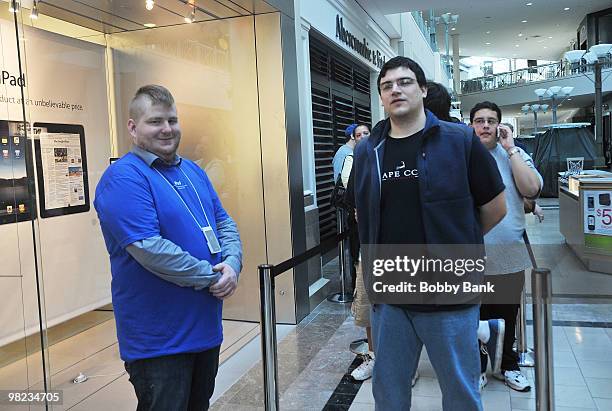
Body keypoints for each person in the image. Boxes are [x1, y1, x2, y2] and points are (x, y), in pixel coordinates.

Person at [350, 56, 507, 410]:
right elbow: (364, 213)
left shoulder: (459, 140)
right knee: (389, 397)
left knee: (461, 394)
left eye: (404, 82)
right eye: (387, 85)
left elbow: (496, 206)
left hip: (448, 292)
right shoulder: (367, 151)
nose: (395, 90)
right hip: (390, 296)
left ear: (422, 89)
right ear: (381, 97)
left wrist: (456, 246)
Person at [94, 85, 242, 411]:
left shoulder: (192, 171)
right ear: (133, 128)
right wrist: (211, 277)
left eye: (172, 120)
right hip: (160, 342)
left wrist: (232, 264)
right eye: (155, 121)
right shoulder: (123, 178)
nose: (167, 129)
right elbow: (150, 249)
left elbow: (224, 222)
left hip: (204, 330)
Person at [470, 101, 543, 393]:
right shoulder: (463, 156)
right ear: (471, 125)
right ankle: (475, 368)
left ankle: (508, 366)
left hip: (508, 250)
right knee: (472, 317)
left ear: (500, 125)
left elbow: (532, 189)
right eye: (479, 120)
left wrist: (511, 148)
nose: (485, 125)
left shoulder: (514, 155)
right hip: (471, 253)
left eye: (491, 120)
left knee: (507, 316)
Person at [332, 123, 369, 290]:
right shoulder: (349, 157)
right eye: (359, 134)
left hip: (373, 213)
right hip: (356, 212)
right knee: (356, 251)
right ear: (353, 137)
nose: (363, 137)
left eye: (366, 133)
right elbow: (347, 184)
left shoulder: (376, 155)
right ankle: (357, 289)